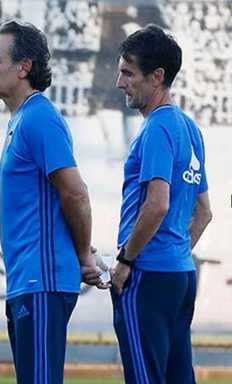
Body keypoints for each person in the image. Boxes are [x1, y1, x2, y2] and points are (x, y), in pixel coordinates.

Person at [0, 19, 104, 383]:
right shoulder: (23, 119)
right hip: (28, 281)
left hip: (43, 282)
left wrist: (83, 256)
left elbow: (75, 192)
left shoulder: (39, 118)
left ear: (24, 67)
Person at [111, 24, 212, 384]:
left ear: (157, 77)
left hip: (148, 276)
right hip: (180, 275)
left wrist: (126, 260)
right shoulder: (190, 128)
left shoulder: (156, 129)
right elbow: (204, 213)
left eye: (127, 73)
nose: (120, 82)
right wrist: (176, 251)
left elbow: (157, 204)